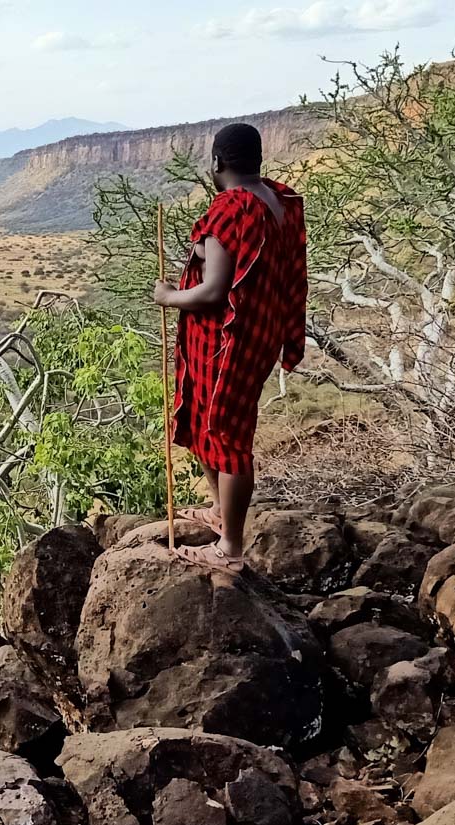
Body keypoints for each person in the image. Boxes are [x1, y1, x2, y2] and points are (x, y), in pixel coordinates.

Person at [151, 122, 307, 573]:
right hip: (259, 334)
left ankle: (230, 548)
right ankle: (221, 514)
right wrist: (202, 253)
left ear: (216, 162)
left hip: (228, 344)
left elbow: (214, 292)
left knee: (227, 436)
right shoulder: (276, 199)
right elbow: (252, 259)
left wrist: (167, 297)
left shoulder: (230, 208)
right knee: (206, 424)